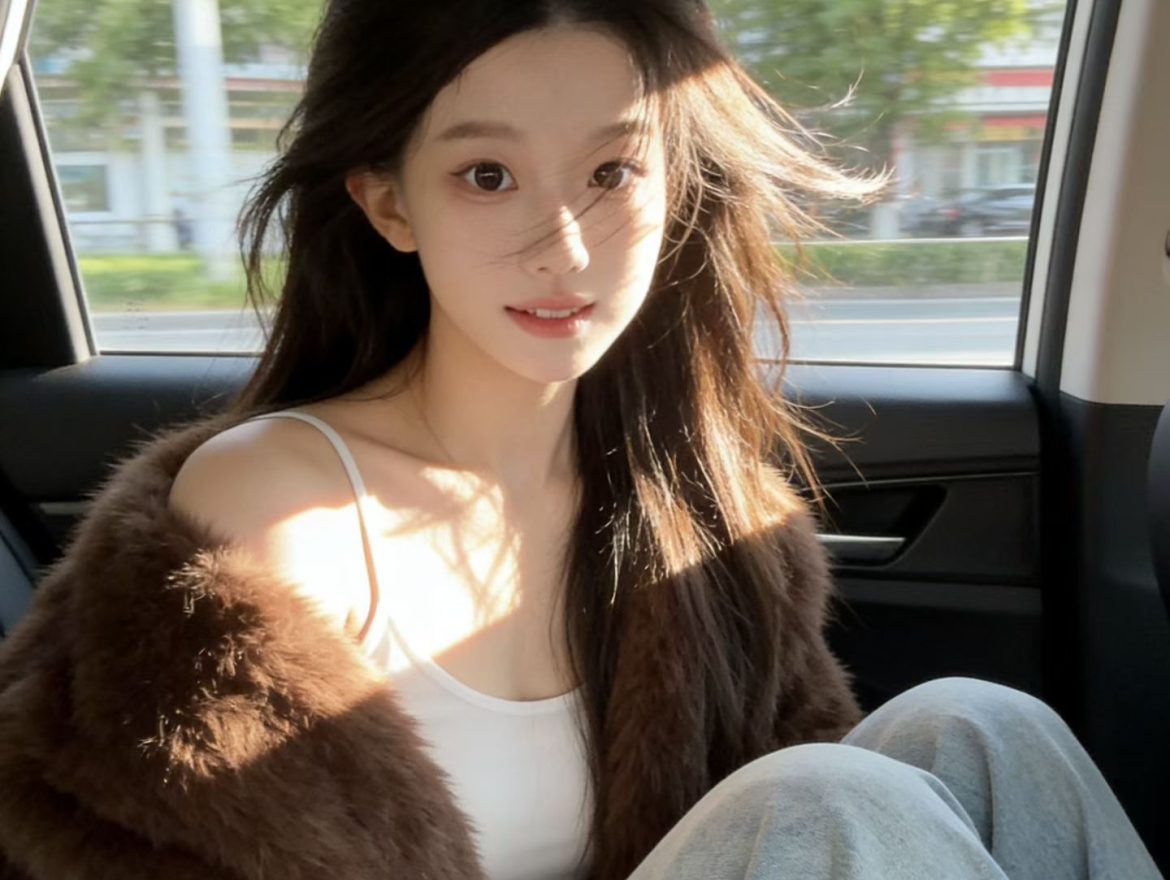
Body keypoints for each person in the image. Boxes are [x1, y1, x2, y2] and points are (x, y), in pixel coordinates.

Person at [0, 2, 1161, 879]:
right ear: (389, 203)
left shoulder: (705, 515)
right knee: (823, 800)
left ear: (675, 186)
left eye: (612, 171)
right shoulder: (284, 508)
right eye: (487, 175)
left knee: (981, 724)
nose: (562, 244)